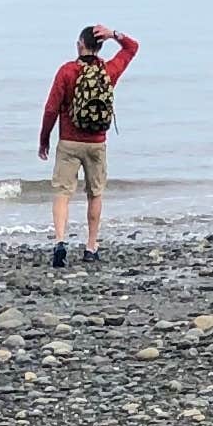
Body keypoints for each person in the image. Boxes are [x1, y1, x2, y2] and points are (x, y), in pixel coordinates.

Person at [38, 21, 141, 271]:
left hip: (69, 142)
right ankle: (91, 247)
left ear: (80, 45)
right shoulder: (108, 70)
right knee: (94, 193)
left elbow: (51, 108)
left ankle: (60, 241)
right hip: (96, 143)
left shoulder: (67, 71)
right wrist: (113, 34)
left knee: (63, 193)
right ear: (100, 46)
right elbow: (132, 47)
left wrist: (44, 139)